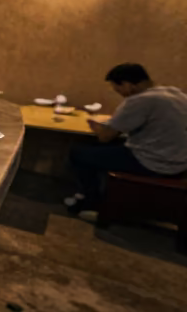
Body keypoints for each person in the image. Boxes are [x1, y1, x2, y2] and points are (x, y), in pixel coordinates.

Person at [67, 63, 187, 214]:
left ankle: (91, 203)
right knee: (99, 148)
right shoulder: (176, 94)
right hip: (180, 162)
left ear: (128, 85)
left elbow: (105, 137)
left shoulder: (139, 100)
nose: (120, 94)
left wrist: (95, 126)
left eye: (118, 89)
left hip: (153, 162)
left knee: (78, 153)